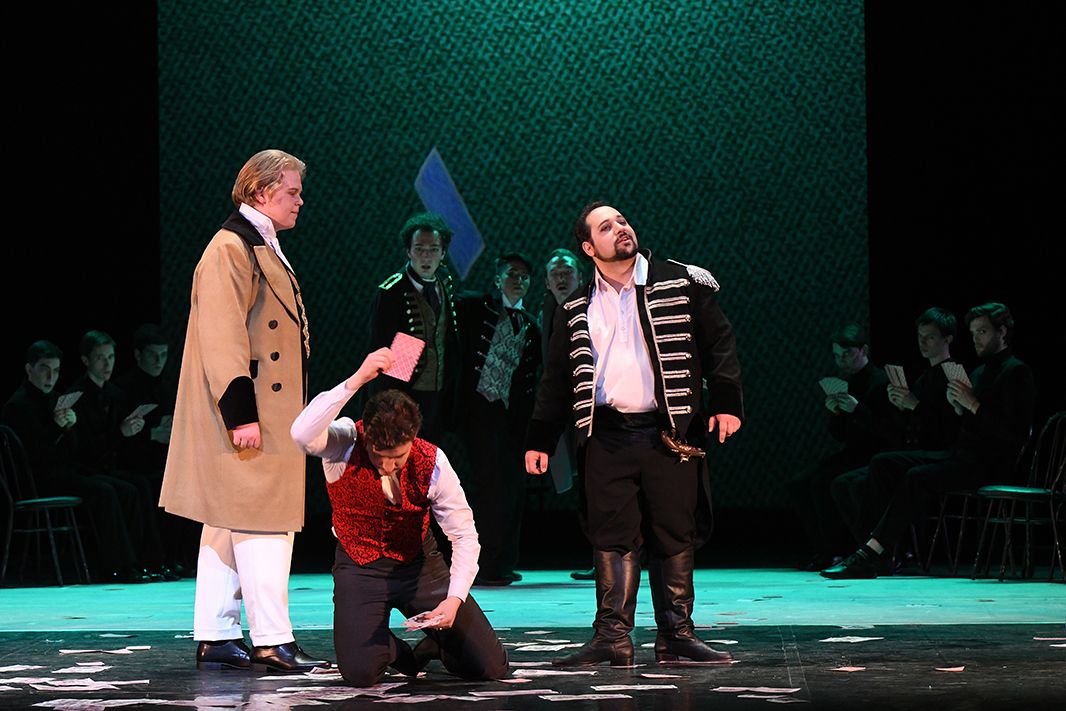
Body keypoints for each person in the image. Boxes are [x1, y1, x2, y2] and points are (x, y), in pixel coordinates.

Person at [524, 201, 743, 667]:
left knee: (673, 531)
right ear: (589, 248)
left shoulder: (681, 280)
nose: (620, 229)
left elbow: (719, 343)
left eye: (622, 221)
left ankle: (677, 635)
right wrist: (540, 439)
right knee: (611, 535)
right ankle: (612, 638)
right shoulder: (575, 305)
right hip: (606, 434)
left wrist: (726, 402)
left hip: (669, 433)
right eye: (606, 227)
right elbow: (556, 379)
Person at [158, 149, 328, 673]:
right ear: (260, 191)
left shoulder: (257, 243)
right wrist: (240, 414)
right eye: (292, 192)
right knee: (263, 520)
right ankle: (273, 639)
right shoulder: (231, 247)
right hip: (249, 410)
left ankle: (216, 633)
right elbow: (222, 335)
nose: (300, 201)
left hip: (267, 408)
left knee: (227, 520)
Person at [290, 348, 509, 687]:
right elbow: (301, 434)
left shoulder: (432, 461)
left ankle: (437, 644)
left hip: (418, 565)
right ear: (368, 438)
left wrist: (454, 600)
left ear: (412, 439)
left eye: (398, 457)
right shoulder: (344, 442)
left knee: (490, 666)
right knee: (361, 673)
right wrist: (356, 380)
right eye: (379, 456)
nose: (388, 466)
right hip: (360, 567)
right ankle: (394, 651)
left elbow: (464, 535)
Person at [822, 302, 1036, 579]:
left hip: (988, 463)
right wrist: (959, 410)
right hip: (961, 454)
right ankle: (873, 551)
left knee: (915, 476)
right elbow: (962, 426)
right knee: (883, 463)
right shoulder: (979, 372)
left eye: (982, 332)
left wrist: (972, 406)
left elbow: (1013, 433)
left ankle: (872, 552)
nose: (976, 339)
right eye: (973, 333)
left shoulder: (1016, 371)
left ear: (1002, 332)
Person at [2, 340, 156, 583]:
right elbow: (32, 458)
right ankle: (116, 567)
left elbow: (72, 450)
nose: (51, 377)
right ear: (29, 369)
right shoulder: (17, 405)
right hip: (39, 481)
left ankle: (140, 562)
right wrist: (58, 428)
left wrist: (69, 429)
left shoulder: (55, 399)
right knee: (104, 491)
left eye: (55, 370)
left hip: (64, 471)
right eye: (44, 369)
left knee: (127, 489)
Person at [830, 308, 962, 545]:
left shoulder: (953, 372)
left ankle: (880, 548)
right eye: (920, 336)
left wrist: (914, 406)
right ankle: (870, 547)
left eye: (930, 337)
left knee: (869, 475)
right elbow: (908, 425)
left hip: (939, 453)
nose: (922, 342)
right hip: (917, 448)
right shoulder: (924, 377)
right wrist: (903, 408)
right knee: (843, 483)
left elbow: (951, 427)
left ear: (947, 339)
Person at [786, 324, 903, 571]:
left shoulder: (880, 382)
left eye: (847, 354)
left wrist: (857, 410)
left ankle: (837, 550)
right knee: (799, 483)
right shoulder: (847, 384)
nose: (842, 361)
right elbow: (840, 435)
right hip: (853, 453)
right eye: (837, 355)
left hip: (876, 454)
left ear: (864, 350)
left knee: (824, 482)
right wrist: (837, 414)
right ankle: (824, 548)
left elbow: (889, 432)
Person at [455, 252, 541, 585]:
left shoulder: (531, 324)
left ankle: (504, 561)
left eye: (523, 276)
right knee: (488, 488)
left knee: (511, 489)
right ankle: (484, 564)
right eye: (511, 274)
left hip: (512, 418)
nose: (517, 281)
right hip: (480, 411)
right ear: (497, 278)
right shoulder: (477, 307)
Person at [66, 329, 172, 580]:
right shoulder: (77, 396)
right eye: (100, 358)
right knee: (118, 491)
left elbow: (119, 441)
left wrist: (133, 431)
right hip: (84, 468)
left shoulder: (114, 393)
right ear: (86, 360)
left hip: (107, 465)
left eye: (111, 357)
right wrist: (121, 433)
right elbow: (82, 447)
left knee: (140, 485)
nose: (107, 364)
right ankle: (120, 565)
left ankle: (151, 561)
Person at [367, 212, 460, 444]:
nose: (426, 256)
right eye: (419, 249)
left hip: (439, 393)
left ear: (443, 253)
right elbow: (380, 347)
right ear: (408, 251)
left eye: (433, 249)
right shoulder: (393, 291)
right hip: (404, 393)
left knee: (433, 450)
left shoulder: (445, 281)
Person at [113, 323, 196, 576]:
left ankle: (179, 557)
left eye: (163, 355)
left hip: (162, 459)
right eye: (153, 355)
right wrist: (151, 434)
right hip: (133, 461)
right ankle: (157, 558)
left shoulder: (167, 386)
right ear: (138, 355)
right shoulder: (123, 388)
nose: (159, 361)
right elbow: (116, 437)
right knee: (157, 487)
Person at [539, 248, 594, 581]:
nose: (561, 279)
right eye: (555, 274)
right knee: (582, 483)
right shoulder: (545, 313)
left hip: (593, 409)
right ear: (547, 282)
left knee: (597, 482)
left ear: (580, 277)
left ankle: (608, 558)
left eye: (567, 272)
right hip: (562, 410)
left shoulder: (594, 309)